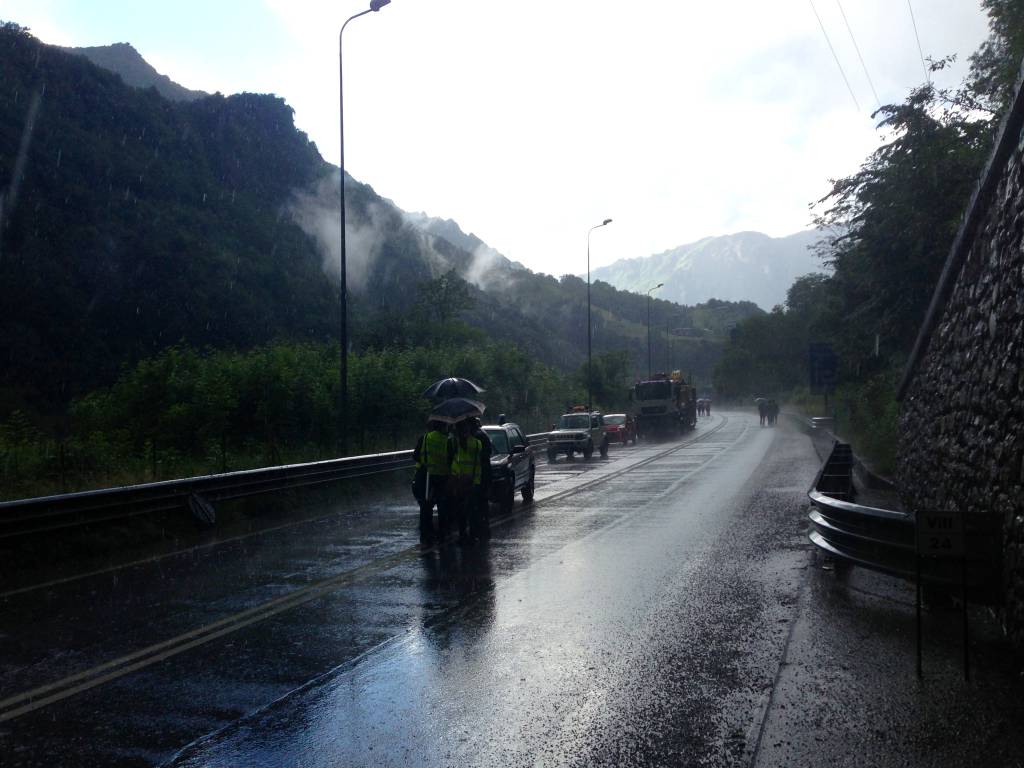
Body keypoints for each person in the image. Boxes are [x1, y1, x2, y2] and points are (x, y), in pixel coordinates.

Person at [412, 419, 453, 542]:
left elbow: (416, 455)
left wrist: (427, 462)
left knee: (426, 506)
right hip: (442, 476)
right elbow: (451, 459)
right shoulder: (448, 440)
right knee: (443, 506)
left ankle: (426, 534)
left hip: (427, 476)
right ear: (443, 426)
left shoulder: (425, 438)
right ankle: (443, 533)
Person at [449, 419, 482, 545]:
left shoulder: (456, 443)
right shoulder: (477, 443)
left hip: (459, 480)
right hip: (473, 481)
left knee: (461, 510)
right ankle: (473, 534)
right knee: (472, 509)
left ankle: (463, 534)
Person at [469, 417, 493, 541]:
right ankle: (484, 530)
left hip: (478, 477)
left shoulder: (477, 437)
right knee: (483, 505)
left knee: (475, 506)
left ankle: (476, 532)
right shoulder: (484, 435)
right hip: (484, 475)